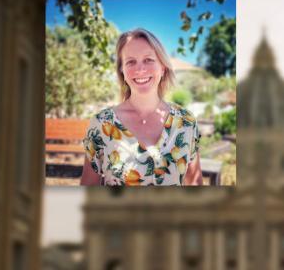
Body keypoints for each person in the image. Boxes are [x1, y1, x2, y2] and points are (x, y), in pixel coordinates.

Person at [80, 28, 203, 186]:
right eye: (131, 62)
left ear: (163, 67)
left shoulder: (186, 123)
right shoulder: (101, 124)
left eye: (148, 60)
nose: (140, 69)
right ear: (122, 70)